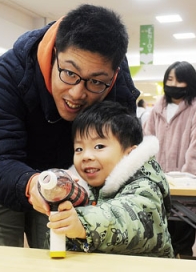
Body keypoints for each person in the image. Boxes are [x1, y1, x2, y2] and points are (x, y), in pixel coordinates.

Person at [0, 4, 139, 248]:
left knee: (60, 252)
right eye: (69, 73)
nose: (77, 93)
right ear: (54, 53)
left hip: (69, 176)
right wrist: (32, 184)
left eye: (96, 82)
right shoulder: (9, 74)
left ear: (114, 75)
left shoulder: (119, 90)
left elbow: (121, 159)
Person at [46, 101, 174, 257]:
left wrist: (82, 223)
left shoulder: (146, 187)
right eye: (79, 148)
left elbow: (128, 218)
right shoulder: (84, 189)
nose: (86, 156)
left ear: (129, 153)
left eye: (99, 146)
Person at [143, 61, 196, 257]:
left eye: (179, 80)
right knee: (158, 241)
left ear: (189, 83)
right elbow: (147, 140)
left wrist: (186, 177)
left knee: (182, 241)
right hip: (157, 182)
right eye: (170, 79)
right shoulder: (158, 108)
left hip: (184, 184)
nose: (173, 84)